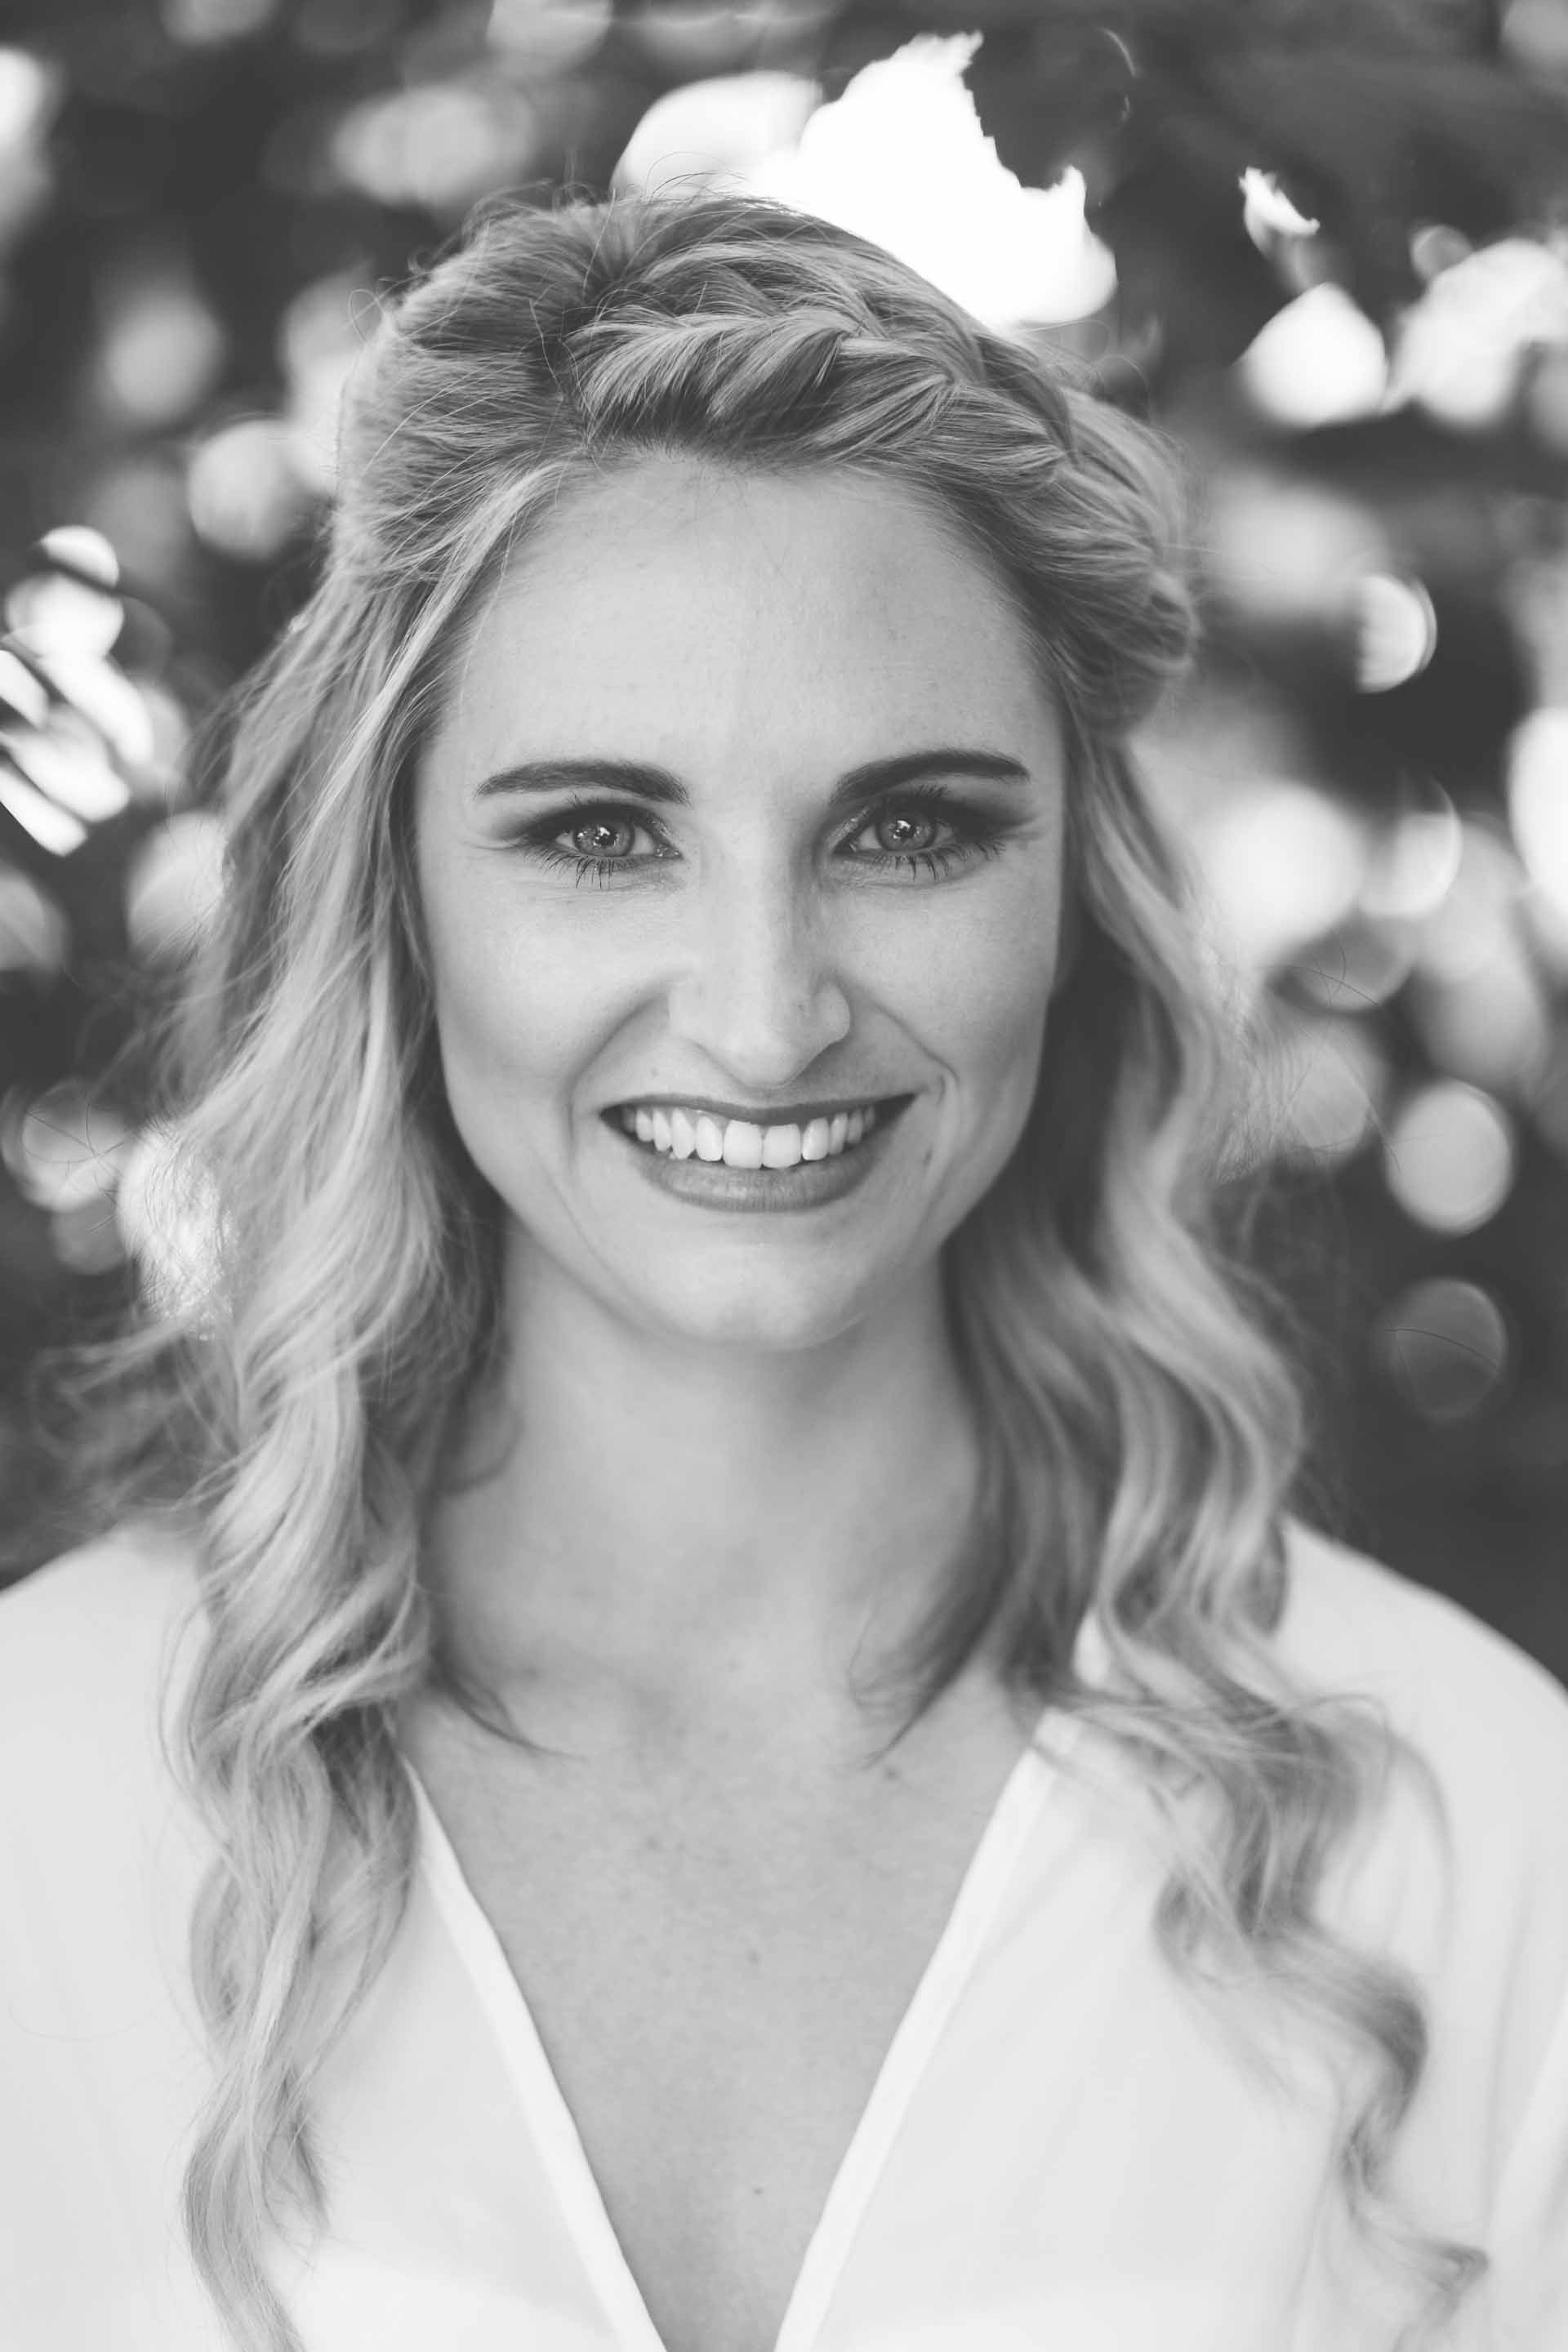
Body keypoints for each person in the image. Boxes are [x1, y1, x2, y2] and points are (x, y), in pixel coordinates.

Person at [2, 185, 1566, 2352]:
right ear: (400, 895)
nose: (765, 1014)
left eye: (907, 828)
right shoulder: (41, 1796)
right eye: (598, 832)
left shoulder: (1473, 1836)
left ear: (1071, 905)